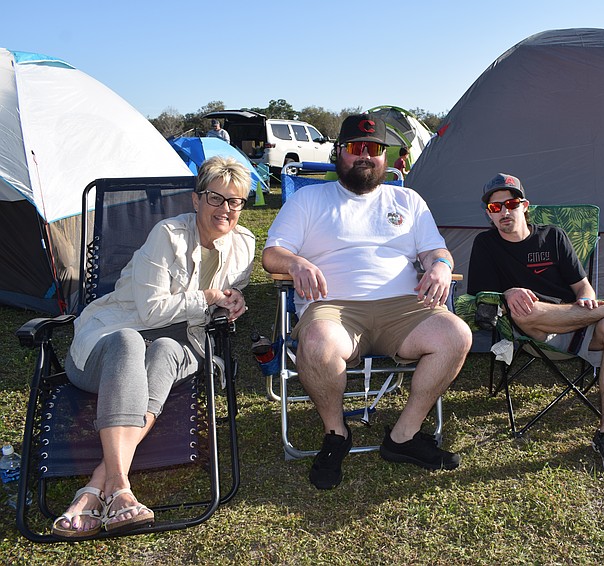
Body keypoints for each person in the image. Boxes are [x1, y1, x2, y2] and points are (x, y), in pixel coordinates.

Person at [262, 113, 472, 490]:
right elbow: (272, 254)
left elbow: (435, 250)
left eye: (374, 149)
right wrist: (296, 263)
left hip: (404, 306)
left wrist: (441, 266)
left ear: (385, 157)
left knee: (456, 335)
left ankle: (404, 437)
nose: (365, 156)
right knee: (318, 343)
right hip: (334, 306)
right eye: (356, 147)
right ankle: (336, 434)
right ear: (338, 152)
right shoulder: (309, 199)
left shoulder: (407, 199)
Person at [51, 156, 255, 538]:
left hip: (182, 345)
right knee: (131, 341)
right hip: (109, 342)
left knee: (163, 350)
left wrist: (234, 300)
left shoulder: (244, 244)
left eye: (235, 201)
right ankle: (119, 487)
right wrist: (208, 297)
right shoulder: (168, 235)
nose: (225, 209)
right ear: (196, 199)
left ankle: (98, 487)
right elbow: (150, 310)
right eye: (215, 197)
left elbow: (230, 292)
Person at [467, 173, 604, 478]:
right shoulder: (486, 244)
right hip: (536, 333)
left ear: (524, 206)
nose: (503, 212)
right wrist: (508, 292)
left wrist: (588, 300)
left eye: (510, 204)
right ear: (489, 213)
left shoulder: (553, 236)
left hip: (578, 325)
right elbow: (482, 298)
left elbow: (582, 287)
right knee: (525, 310)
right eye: (494, 207)